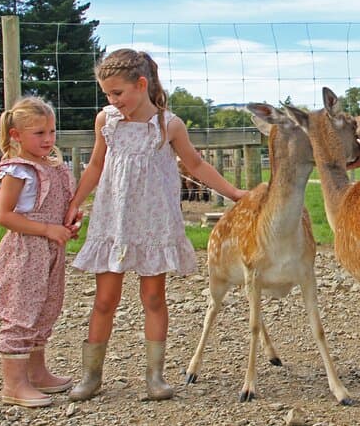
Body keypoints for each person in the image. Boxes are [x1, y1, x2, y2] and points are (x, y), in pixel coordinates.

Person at [64, 49, 247, 402]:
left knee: (153, 297)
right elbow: (95, 166)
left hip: (152, 224)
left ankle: (155, 376)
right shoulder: (107, 121)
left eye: (118, 93)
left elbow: (195, 164)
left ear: (141, 84)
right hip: (114, 222)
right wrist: (74, 202)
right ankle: (91, 375)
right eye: (107, 95)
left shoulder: (168, 125)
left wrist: (233, 192)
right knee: (104, 299)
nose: (113, 101)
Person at [0, 96, 80, 407]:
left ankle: (37, 371)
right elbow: (4, 215)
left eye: (52, 132)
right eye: (39, 133)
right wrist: (45, 229)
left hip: (51, 249)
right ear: (16, 135)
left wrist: (67, 223)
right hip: (26, 250)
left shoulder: (51, 166)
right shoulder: (18, 170)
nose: (48, 139)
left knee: (46, 305)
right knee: (22, 308)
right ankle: (14, 384)